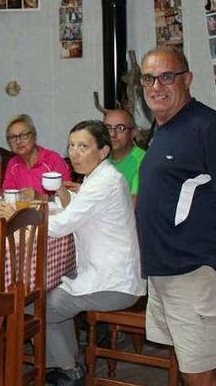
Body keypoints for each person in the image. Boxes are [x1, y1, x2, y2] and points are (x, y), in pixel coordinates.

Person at [136, 47, 216, 386]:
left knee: (199, 373)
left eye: (167, 77)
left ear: (187, 79)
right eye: (149, 78)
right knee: (191, 365)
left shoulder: (209, 128)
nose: (156, 86)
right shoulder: (163, 127)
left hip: (198, 272)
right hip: (168, 268)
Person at [33, 121, 144, 386]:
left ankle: (69, 371)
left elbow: (60, 226)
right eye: (71, 145)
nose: (74, 153)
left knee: (46, 305)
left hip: (115, 283)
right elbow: (77, 213)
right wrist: (61, 192)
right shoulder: (101, 177)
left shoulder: (102, 183)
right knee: (44, 291)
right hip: (106, 271)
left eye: (84, 146)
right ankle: (66, 363)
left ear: (103, 151)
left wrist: (23, 217)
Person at [2, 114, 71, 197]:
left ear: (34, 136)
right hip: (22, 209)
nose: (18, 141)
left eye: (24, 136)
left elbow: (68, 196)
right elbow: (7, 194)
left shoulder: (53, 160)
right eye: (13, 137)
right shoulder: (13, 164)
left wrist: (38, 197)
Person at [103, 109, 145, 200]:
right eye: (108, 128)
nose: (112, 134)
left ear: (133, 133)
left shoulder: (143, 161)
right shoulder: (101, 158)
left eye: (120, 128)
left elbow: (133, 205)